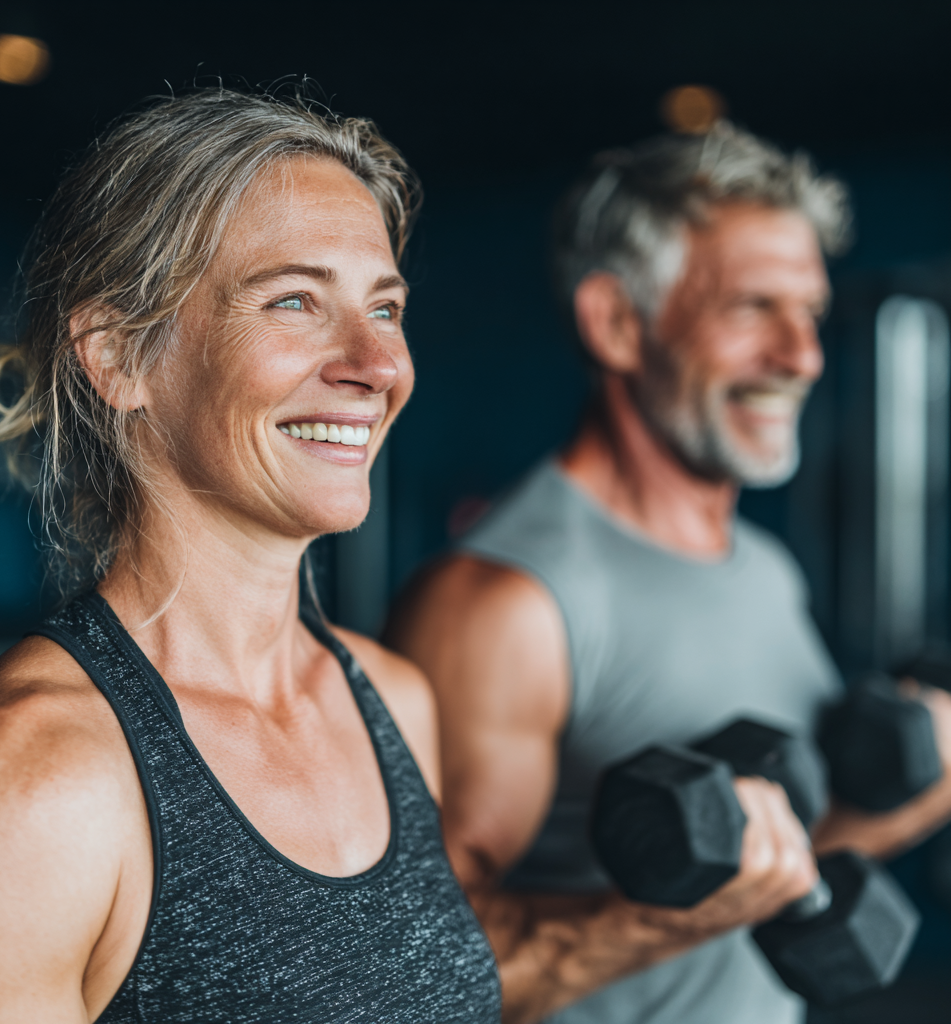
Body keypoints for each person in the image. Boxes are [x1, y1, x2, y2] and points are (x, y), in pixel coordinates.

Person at [0, 90, 502, 1023]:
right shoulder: (31, 783)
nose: (375, 362)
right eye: (294, 300)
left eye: (385, 308)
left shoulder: (395, 703)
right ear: (119, 357)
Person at [385, 122, 951, 1024]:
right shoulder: (503, 601)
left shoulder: (763, 569)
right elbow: (413, 969)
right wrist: (659, 922)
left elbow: (772, 866)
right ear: (616, 322)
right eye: (751, 308)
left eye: (807, 310)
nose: (801, 356)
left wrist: (924, 792)